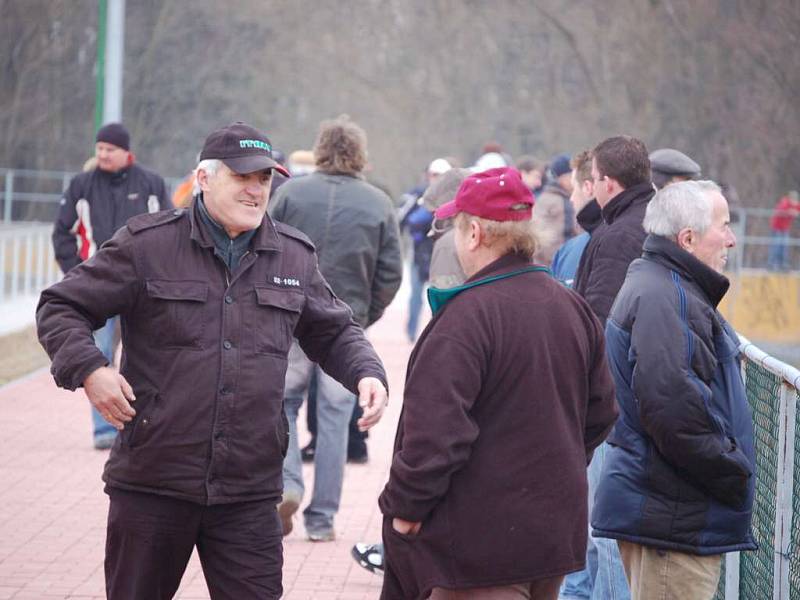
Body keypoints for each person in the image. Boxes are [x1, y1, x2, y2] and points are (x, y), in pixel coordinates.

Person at [36, 121, 390, 599]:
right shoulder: (147, 245)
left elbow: (335, 329)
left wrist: (367, 371)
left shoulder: (293, 256)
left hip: (249, 489)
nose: (255, 189)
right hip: (154, 482)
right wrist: (91, 369)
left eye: (264, 179)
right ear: (203, 179)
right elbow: (61, 306)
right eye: (242, 177)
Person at [379, 167, 618, 600]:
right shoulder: (571, 307)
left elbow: (435, 434)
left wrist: (405, 509)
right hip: (550, 537)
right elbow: (601, 411)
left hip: (478, 549)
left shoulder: (466, 317)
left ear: (474, 234)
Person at [592, 180, 756, 600]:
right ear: (688, 238)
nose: (732, 239)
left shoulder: (660, 283)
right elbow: (674, 412)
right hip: (672, 519)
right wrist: (734, 470)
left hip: (666, 511)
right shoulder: (669, 298)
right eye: (723, 225)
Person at [269, 115, 403, 541]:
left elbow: (263, 249)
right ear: (360, 153)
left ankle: (289, 483)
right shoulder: (378, 203)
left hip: (288, 317)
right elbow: (390, 273)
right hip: (346, 323)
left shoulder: (288, 194)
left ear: (320, 148)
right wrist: (362, 317)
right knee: (334, 421)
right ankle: (322, 519)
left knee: (282, 405)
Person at [350, 167, 470, 578]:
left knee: (432, 456)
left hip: (453, 372)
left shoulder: (449, 247)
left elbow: (453, 317)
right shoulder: (454, 243)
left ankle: (405, 549)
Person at [52, 122, 170, 449]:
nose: (103, 154)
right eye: (99, 148)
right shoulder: (81, 186)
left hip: (143, 290)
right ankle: (105, 428)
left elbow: (169, 232)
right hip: (97, 290)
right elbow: (62, 234)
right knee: (100, 357)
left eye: (110, 149)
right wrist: (78, 274)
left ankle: (143, 424)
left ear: (126, 152)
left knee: (143, 355)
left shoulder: (151, 184)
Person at [401, 158, 452, 342]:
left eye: (441, 175)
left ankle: (436, 333)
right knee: (416, 295)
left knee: (439, 295)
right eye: (434, 175)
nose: (437, 179)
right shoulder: (418, 194)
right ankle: (411, 333)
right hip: (419, 252)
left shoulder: (454, 197)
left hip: (442, 255)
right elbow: (407, 219)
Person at [551, 150, 596, 287]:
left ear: (588, 188)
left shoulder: (569, 250)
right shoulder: (566, 250)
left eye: (574, 189)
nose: (571, 198)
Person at [533, 153, 575, 265]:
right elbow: (546, 238)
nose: (574, 180)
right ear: (561, 177)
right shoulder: (555, 201)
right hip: (555, 264)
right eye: (571, 175)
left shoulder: (563, 197)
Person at [768, 190, 800, 270]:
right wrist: (789, 212)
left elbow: (797, 210)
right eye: (793, 199)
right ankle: (772, 264)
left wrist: (796, 212)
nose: (794, 201)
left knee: (784, 247)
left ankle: (783, 265)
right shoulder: (785, 202)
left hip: (785, 228)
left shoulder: (796, 205)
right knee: (776, 246)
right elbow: (781, 210)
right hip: (777, 227)